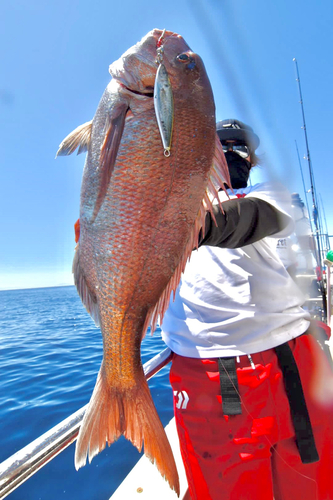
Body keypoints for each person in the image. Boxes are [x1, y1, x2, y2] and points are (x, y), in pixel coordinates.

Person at [161, 119, 333, 500]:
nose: (233, 154)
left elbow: (250, 219)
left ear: (251, 161)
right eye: (223, 147)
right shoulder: (172, 205)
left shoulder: (272, 194)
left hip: (292, 362)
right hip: (210, 374)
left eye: (241, 148)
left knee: (311, 483)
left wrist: (190, 227)